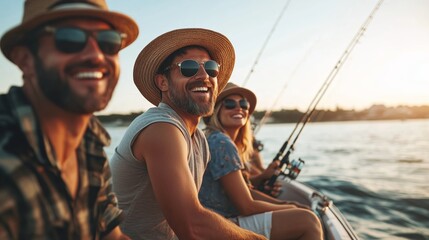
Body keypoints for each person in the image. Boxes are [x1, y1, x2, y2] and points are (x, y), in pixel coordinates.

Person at [0, 0, 139, 239]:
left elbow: (112, 236)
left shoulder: (91, 144)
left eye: (109, 42)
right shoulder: (6, 154)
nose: (95, 55)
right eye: (69, 39)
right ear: (25, 60)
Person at [110, 28, 266, 239]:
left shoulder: (199, 139)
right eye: (189, 68)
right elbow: (192, 226)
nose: (204, 76)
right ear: (162, 82)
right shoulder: (161, 128)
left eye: (211, 68)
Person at [199, 82, 323, 239]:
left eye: (243, 104)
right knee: (308, 221)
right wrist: (289, 207)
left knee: (301, 213)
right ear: (216, 112)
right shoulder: (221, 142)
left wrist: (285, 205)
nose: (239, 108)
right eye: (229, 104)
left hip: (217, 221)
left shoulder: (216, 139)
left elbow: (246, 192)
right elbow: (246, 206)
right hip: (219, 225)